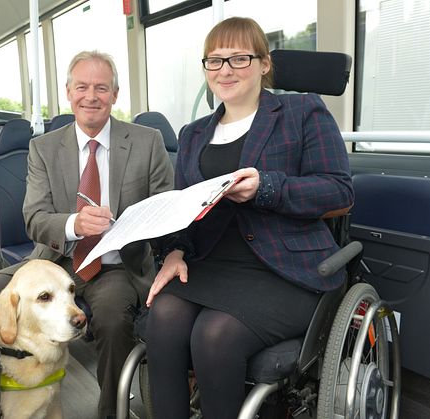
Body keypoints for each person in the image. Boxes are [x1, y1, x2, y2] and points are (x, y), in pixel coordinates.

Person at [144, 17, 354, 419]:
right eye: (215, 61)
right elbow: (185, 211)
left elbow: (339, 191)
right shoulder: (192, 133)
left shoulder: (302, 111)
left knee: (214, 334)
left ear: (263, 64)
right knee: (163, 320)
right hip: (213, 265)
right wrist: (174, 252)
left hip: (285, 269)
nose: (225, 70)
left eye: (239, 59)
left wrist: (267, 188)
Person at [0, 50, 174, 418]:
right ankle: (0, 402)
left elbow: (165, 211)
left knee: (114, 320)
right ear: (68, 93)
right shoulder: (44, 148)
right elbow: (35, 219)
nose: (91, 96)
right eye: (82, 87)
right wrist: (75, 224)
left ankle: (111, 411)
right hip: (53, 262)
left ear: (115, 95)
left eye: (101, 88)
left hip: (117, 266)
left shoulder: (147, 142)